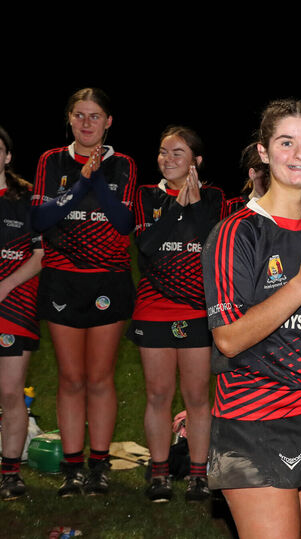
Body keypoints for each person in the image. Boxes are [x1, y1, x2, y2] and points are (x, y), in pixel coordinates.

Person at [202, 99, 301, 538]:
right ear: (264, 152)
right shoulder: (236, 232)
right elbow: (229, 339)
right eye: (286, 142)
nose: (299, 154)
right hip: (255, 420)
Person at [31, 88, 137, 497]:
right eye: (80, 115)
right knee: (71, 378)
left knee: (99, 377)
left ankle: (99, 465)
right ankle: (73, 468)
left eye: (95, 116)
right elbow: (40, 216)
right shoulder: (51, 160)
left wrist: (98, 183)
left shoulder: (123, 164)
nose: (87, 123)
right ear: (70, 119)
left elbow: (124, 223)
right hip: (62, 278)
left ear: (108, 122)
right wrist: (80, 185)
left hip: (107, 280)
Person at [128, 126, 225, 502]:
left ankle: (199, 474)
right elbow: (147, 245)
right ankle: (159, 473)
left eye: (178, 153)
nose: (168, 159)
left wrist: (196, 203)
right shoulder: (145, 195)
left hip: (197, 310)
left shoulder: (215, 198)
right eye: (163, 152)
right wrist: (177, 207)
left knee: (198, 396)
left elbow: (210, 244)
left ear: (196, 162)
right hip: (153, 308)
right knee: (158, 393)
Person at [0, 126, 43, 501]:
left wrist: (4, 286)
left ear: (7, 156)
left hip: (12, 307)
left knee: (10, 391)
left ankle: (11, 472)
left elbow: (41, 256)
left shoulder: (27, 199)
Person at [228, 142, 301, 238]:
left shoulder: (294, 210)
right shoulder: (230, 209)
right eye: (266, 173)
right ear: (252, 173)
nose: (271, 181)